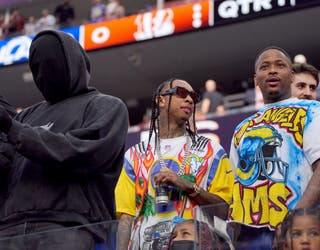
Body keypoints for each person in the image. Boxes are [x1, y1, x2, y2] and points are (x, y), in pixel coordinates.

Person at [0, 30, 129, 250]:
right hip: (8, 230)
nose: (43, 74)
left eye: (50, 64)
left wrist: (13, 128)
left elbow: (81, 153)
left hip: (69, 227)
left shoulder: (106, 106)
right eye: (36, 68)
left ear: (74, 61)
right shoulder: (26, 116)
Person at [115, 78, 234, 250]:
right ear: (160, 100)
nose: (190, 99)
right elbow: (126, 218)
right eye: (181, 93)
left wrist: (187, 186)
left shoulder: (212, 151)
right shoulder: (134, 156)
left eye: (193, 96)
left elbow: (224, 211)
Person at [228, 46, 320, 250]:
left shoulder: (312, 110)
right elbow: (235, 189)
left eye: (280, 65)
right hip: (251, 240)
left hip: (300, 235)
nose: (272, 70)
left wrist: (293, 222)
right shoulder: (241, 128)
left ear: (292, 75)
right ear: (255, 80)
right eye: (265, 67)